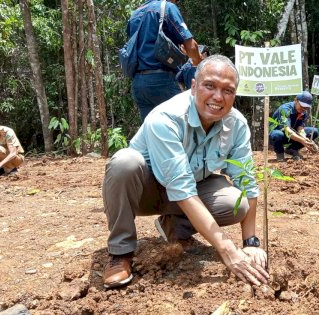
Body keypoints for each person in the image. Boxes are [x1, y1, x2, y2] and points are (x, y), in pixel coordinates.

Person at [102, 55, 269, 289]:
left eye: (228, 90)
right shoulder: (167, 117)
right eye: (209, 85)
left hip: (190, 189)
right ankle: (121, 253)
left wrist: (250, 242)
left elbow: (247, 183)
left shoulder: (236, 125)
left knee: (236, 204)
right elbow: (181, 189)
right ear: (193, 86)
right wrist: (228, 251)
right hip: (145, 192)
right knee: (124, 162)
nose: (218, 97)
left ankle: (175, 227)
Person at [127, 0, 202, 122]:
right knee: (182, 127)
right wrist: (199, 63)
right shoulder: (167, 7)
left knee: (152, 132)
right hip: (162, 80)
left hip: (139, 83)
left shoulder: (135, 14)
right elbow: (191, 46)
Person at [269, 91, 319, 161]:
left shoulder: (303, 112)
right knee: (277, 134)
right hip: (281, 135)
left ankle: (292, 149)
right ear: (295, 100)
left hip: (294, 134)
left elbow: (300, 128)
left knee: (314, 132)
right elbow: (287, 131)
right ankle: (280, 154)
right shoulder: (285, 109)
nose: (304, 109)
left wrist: (305, 139)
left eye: (306, 107)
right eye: (302, 106)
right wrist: (302, 141)